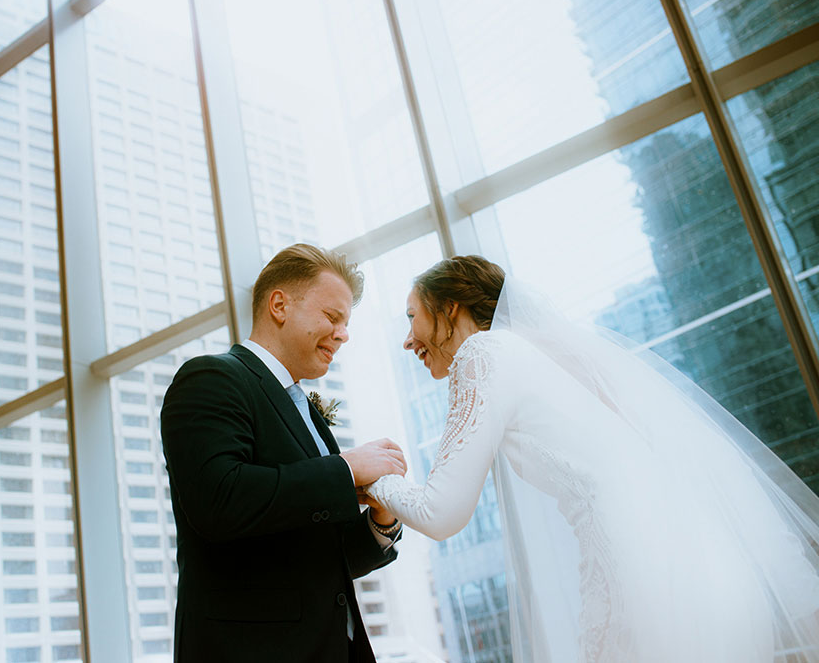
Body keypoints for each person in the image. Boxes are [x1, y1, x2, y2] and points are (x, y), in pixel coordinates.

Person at [364, 255, 819, 663]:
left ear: (450, 308)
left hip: (638, 581)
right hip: (706, 571)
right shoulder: (549, 356)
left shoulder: (483, 353)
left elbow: (441, 512)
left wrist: (367, 475)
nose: (407, 340)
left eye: (411, 317)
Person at [161, 243, 406, 663]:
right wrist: (345, 470)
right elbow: (219, 499)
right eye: (333, 317)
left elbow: (324, 558)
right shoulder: (211, 378)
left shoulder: (305, 409)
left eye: (346, 324)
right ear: (279, 305)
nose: (344, 334)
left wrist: (381, 522)